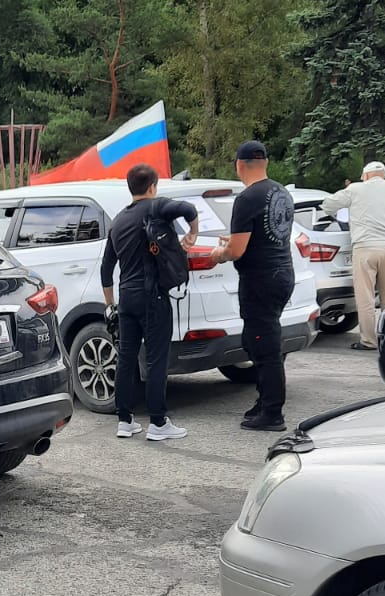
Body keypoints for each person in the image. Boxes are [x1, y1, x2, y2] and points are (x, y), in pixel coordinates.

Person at [100, 164, 199, 441]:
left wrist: (110, 306)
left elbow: (106, 268)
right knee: (156, 359)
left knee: (126, 359)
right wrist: (192, 234)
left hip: (125, 299)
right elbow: (189, 210)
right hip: (153, 296)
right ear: (153, 186)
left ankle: (125, 420)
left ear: (130, 187)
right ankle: (158, 422)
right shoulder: (156, 207)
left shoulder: (118, 220)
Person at [209, 141, 294, 433]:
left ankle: (272, 413)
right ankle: (264, 401)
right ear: (266, 163)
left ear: (239, 165)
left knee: (264, 345)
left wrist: (219, 254)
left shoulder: (247, 198)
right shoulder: (281, 192)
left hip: (261, 279)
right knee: (255, 339)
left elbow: (236, 251)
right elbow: (264, 237)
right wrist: (232, 242)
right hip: (282, 274)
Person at [321, 161, 385, 351]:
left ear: (366, 175)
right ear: (383, 175)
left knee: (366, 297)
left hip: (365, 247)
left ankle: (369, 340)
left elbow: (327, 206)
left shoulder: (355, 189)